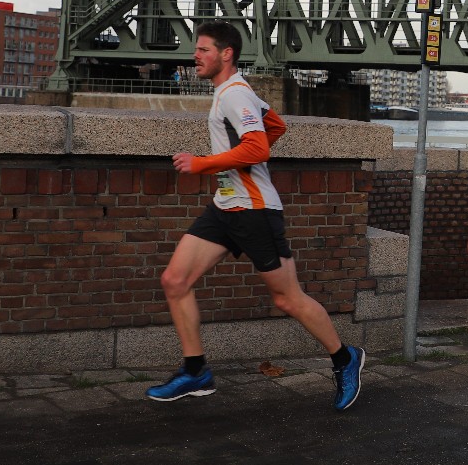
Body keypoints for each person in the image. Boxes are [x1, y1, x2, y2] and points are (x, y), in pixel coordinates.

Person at [152, 21, 365, 410]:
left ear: (226, 54)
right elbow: (275, 125)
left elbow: (258, 148)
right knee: (175, 280)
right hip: (225, 206)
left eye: (203, 50)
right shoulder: (232, 92)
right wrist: (231, 166)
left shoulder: (235, 95)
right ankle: (196, 371)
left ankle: (344, 358)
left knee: (288, 299)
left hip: (254, 211)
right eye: (196, 49)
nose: (195, 56)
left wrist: (203, 163)